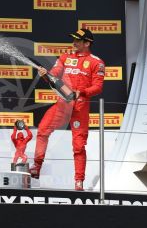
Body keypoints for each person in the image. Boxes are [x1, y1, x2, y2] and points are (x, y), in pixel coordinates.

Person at [29, 29, 105, 191]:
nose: (74, 43)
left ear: (87, 43)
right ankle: (36, 167)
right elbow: (54, 74)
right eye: (74, 39)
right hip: (62, 106)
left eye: (78, 40)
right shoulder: (65, 57)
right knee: (42, 130)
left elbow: (98, 87)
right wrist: (45, 74)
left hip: (80, 108)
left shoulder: (96, 62)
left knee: (78, 146)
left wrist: (82, 92)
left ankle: (79, 182)